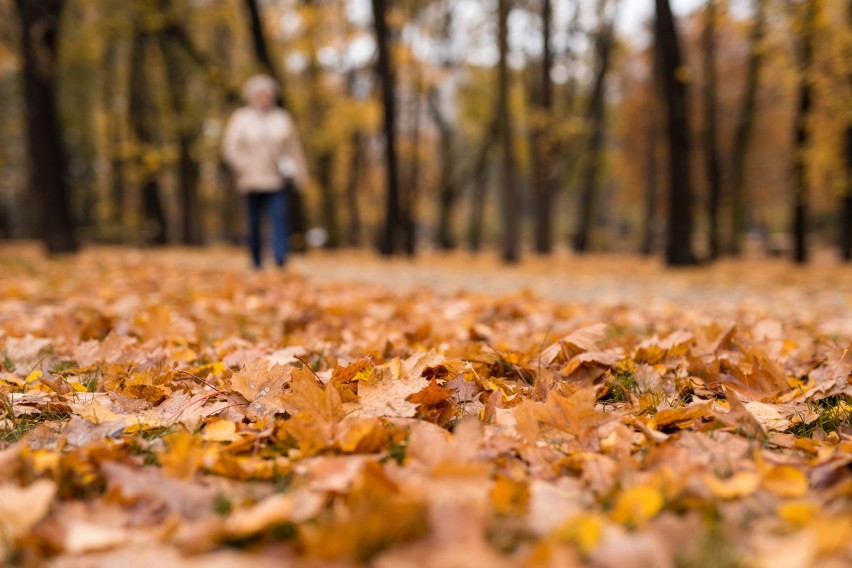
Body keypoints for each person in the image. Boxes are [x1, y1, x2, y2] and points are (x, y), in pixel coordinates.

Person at [221, 74, 308, 268]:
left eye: (267, 94)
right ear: (251, 96)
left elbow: (294, 149)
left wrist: (300, 174)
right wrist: (243, 167)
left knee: (279, 218)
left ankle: (280, 257)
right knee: (253, 223)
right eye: (259, 94)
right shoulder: (241, 118)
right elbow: (230, 149)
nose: (263, 98)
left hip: (276, 179)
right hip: (250, 180)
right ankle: (256, 259)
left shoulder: (282, 118)